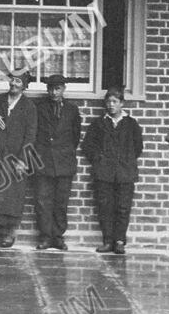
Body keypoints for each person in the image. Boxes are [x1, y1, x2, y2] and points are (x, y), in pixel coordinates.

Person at [83, 87, 143, 255]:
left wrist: (126, 160)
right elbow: (88, 146)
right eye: (108, 102)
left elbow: (138, 147)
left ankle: (119, 241)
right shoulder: (98, 124)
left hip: (125, 173)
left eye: (115, 102)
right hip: (104, 173)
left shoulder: (131, 124)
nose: (111, 105)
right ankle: (107, 240)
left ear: (121, 103)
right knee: (105, 207)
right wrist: (100, 160)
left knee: (123, 207)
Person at [0, 71, 38, 248]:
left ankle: (9, 233)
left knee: (12, 195)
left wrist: (23, 160)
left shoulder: (29, 107)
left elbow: (30, 135)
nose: (13, 83)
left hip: (14, 157)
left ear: (24, 86)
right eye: (12, 80)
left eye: (18, 81)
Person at [34, 75, 81, 251]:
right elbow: (35, 134)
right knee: (42, 201)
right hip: (43, 160)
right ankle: (45, 236)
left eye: (58, 89)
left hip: (64, 162)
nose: (54, 92)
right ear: (47, 90)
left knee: (61, 201)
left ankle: (58, 236)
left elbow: (75, 136)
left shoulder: (72, 110)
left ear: (63, 89)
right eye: (51, 89)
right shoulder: (39, 109)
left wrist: (64, 152)